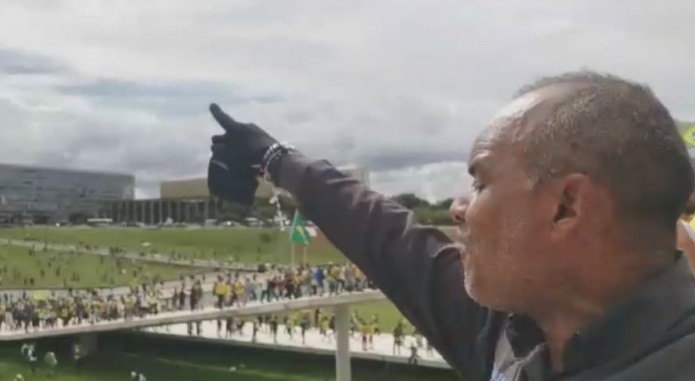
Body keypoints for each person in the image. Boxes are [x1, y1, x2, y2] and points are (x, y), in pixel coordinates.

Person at [206, 71, 695, 381]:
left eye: (480, 182)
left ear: (566, 207)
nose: (458, 209)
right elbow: (390, 240)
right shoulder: (523, 330)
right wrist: (274, 159)